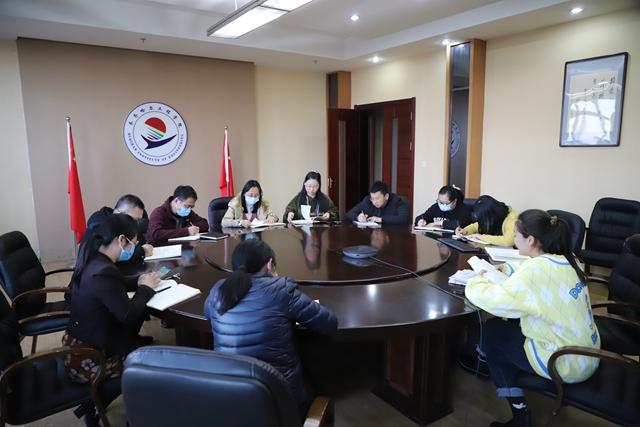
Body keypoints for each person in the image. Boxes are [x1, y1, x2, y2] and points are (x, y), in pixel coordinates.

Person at [465, 209, 600, 427]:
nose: (514, 240)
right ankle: (514, 392)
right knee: (502, 342)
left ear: (531, 240)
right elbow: (535, 271)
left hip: (564, 362)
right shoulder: (569, 259)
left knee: (492, 331)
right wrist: (506, 267)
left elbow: (494, 301)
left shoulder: (534, 270)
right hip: (588, 353)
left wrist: (476, 281)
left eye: (516, 235)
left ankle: (518, 415)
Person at [204, 239, 338, 418]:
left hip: (229, 396)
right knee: (309, 377)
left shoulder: (218, 291)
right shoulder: (281, 289)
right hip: (279, 400)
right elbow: (329, 324)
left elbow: (208, 314)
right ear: (269, 264)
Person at [62, 214, 160, 426]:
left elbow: (113, 287)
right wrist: (145, 289)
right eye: (134, 243)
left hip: (79, 343)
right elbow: (128, 315)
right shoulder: (104, 271)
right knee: (151, 369)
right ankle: (121, 415)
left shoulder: (94, 259)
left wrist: (139, 281)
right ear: (121, 240)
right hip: (89, 357)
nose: (135, 248)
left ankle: (93, 406)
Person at [80, 194, 153, 262]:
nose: (137, 224)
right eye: (135, 220)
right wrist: (141, 252)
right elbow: (111, 257)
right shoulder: (99, 228)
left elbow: (140, 242)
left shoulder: (126, 225)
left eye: (139, 221)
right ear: (121, 214)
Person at [345, 181, 410, 225]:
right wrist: (358, 217)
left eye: (377, 198)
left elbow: (404, 219)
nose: (375, 202)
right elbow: (348, 214)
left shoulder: (397, 201)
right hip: (372, 234)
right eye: (372, 198)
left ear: (386, 196)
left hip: (392, 235)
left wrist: (380, 219)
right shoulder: (367, 201)